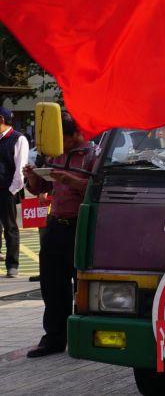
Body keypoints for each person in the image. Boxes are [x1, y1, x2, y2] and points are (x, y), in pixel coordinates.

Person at [22, 112, 96, 357]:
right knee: (52, 283)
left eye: (64, 140)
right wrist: (32, 177)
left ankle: (84, 336)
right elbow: (41, 187)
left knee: (82, 283)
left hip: (82, 225)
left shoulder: (93, 155)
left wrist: (72, 181)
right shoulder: (55, 153)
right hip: (56, 223)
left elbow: (99, 188)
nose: (61, 146)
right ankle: (54, 337)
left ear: (76, 134)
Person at [0, 107, 29, 278]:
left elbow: (20, 170)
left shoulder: (19, 139)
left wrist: (11, 191)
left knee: (10, 228)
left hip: (8, 190)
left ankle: (12, 264)